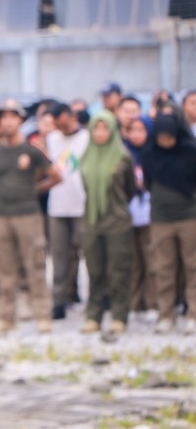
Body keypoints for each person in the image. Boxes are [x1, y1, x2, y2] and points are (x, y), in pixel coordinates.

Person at [0, 100, 61, 335]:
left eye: (12, 117)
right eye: (2, 117)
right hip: (2, 214)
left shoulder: (32, 151)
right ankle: (7, 318)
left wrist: (34, 190)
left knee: (34, 264)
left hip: (28, 214)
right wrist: (2, 189)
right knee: (4, 267)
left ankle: (42, 316)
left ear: (21, 121)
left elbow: (55, 176)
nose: (7, 121)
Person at [78, 111, 136, 334]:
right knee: (94, 271)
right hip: (91, 221)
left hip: (117, 221)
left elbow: (130, 189)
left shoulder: (122, 156)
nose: (101, 133)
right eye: (96, 128)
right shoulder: (86, 155)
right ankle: (93, 316)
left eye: (105, 128)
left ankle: (119, 316)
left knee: (119, 271)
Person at [142, 107, 196, 334]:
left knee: (193, 266)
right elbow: (147, 182)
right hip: (161, 218)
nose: (165, 141)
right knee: (163, 268)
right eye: (161, 137)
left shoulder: (190, 152)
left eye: (169, 137)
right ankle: (166, 315)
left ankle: (193, 314)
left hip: (189, 217)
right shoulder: (150, 154)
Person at [45, 103, 89, 319]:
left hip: (82, 203)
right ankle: (59, 301)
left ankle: (98, 298)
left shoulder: (87, 138)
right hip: (58, 205)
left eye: (63, 123)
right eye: (57, 124)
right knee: (59, 256)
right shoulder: (52, 139)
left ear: (72, 117)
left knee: (88, 252)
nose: (60, 127)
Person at [124, 115, 157, 317]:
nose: (136, 135)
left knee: (152, 262)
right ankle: (134, 304)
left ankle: (152, 303)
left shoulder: (154, 154)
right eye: (132, 130)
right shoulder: (124, 154)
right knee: (133, 263)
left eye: (141, 130)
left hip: (150, 214)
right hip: (128, 214)